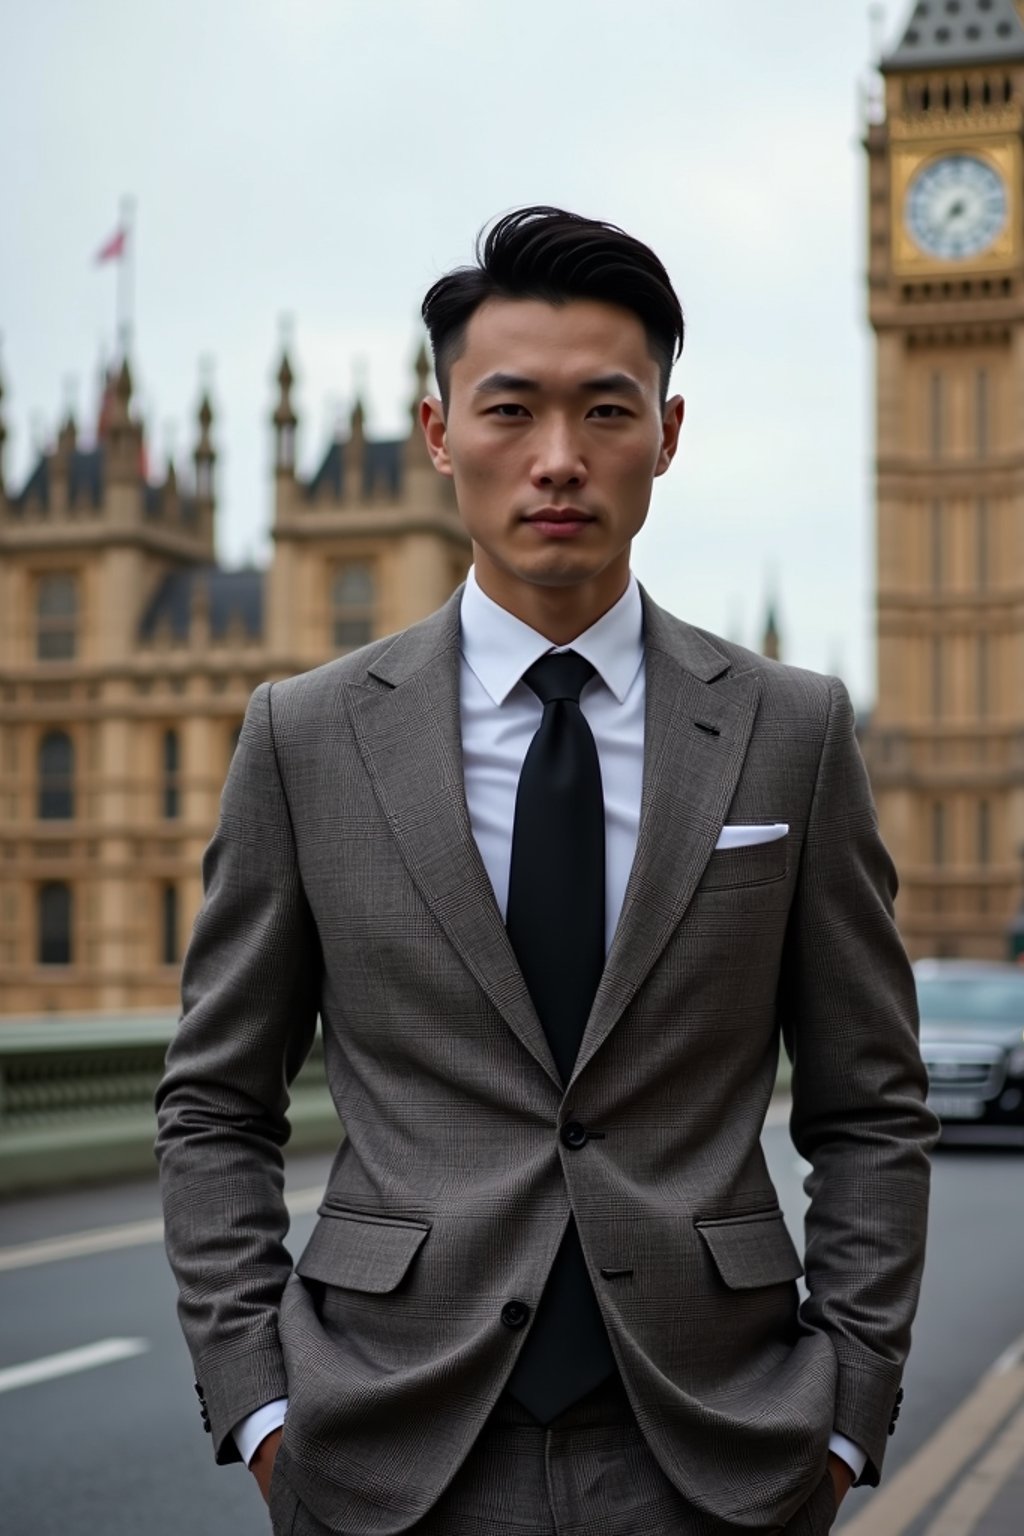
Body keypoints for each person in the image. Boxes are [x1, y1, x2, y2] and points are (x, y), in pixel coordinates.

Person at [155, 206, 936, 1536]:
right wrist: (264, 1409)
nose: (559, 461)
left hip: (719, 1448)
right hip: (386, 1450)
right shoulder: (305, 736)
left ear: (669, 437)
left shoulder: (791, 732)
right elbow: (215, 1102)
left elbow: (870, 1108)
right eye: (511, 410)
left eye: (608, 412)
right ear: (440, 433)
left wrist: (848, 1415)